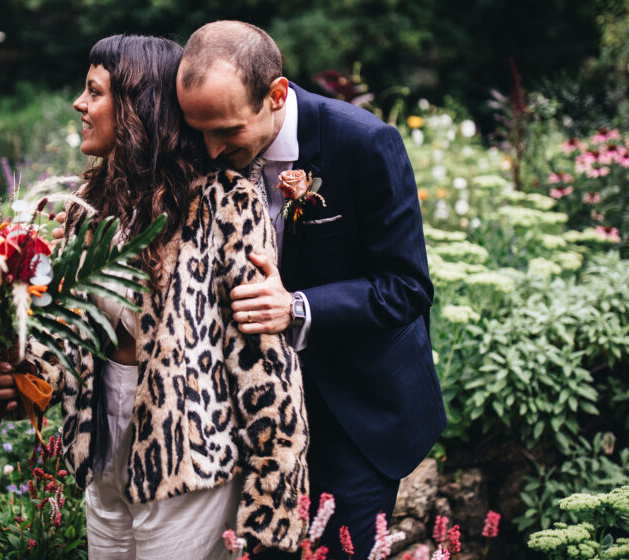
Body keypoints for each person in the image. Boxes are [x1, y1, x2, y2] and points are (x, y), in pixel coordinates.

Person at [0, 34, 310, 559]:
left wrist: (274, 494)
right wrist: (18, 376)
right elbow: (63, 334)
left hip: (189, 461)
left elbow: (264, 363)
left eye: (94, 92)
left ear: (138, 106)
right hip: (102, 450)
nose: (79, 104)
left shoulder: (227, 204)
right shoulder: (83, 210)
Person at [176, 21, 447, 558]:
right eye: (198, 131)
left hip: (354, 408)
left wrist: (296, 307)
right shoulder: (203, 146)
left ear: (276, 95)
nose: (210, 149)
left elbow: (407, 287)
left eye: (226, 131)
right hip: (252, 415)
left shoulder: (364, 143)